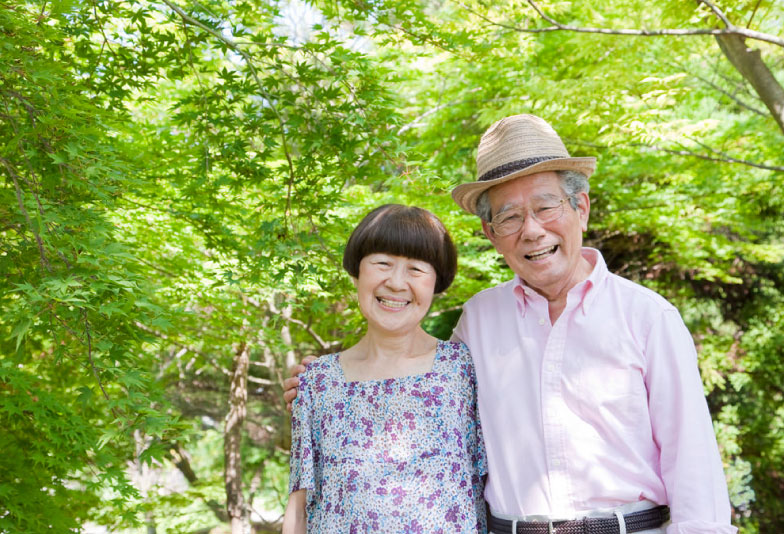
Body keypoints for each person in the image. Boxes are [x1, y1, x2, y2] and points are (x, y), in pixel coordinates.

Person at [286, 115, 736, 534]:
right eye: (510, 217)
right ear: (490, 232)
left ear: (581, 207)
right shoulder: (479, 321)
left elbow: (693, 467)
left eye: (546, 207)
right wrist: (325, 386)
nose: (532, 230)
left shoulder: (648, 317)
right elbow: (413, 382)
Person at [281, 204, 487, 534]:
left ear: (436, 283)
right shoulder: (318, 382)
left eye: (416, 269)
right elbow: (299, 508)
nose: (395, 282)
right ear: (357, 273)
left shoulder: (464, 370)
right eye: (382, 264)